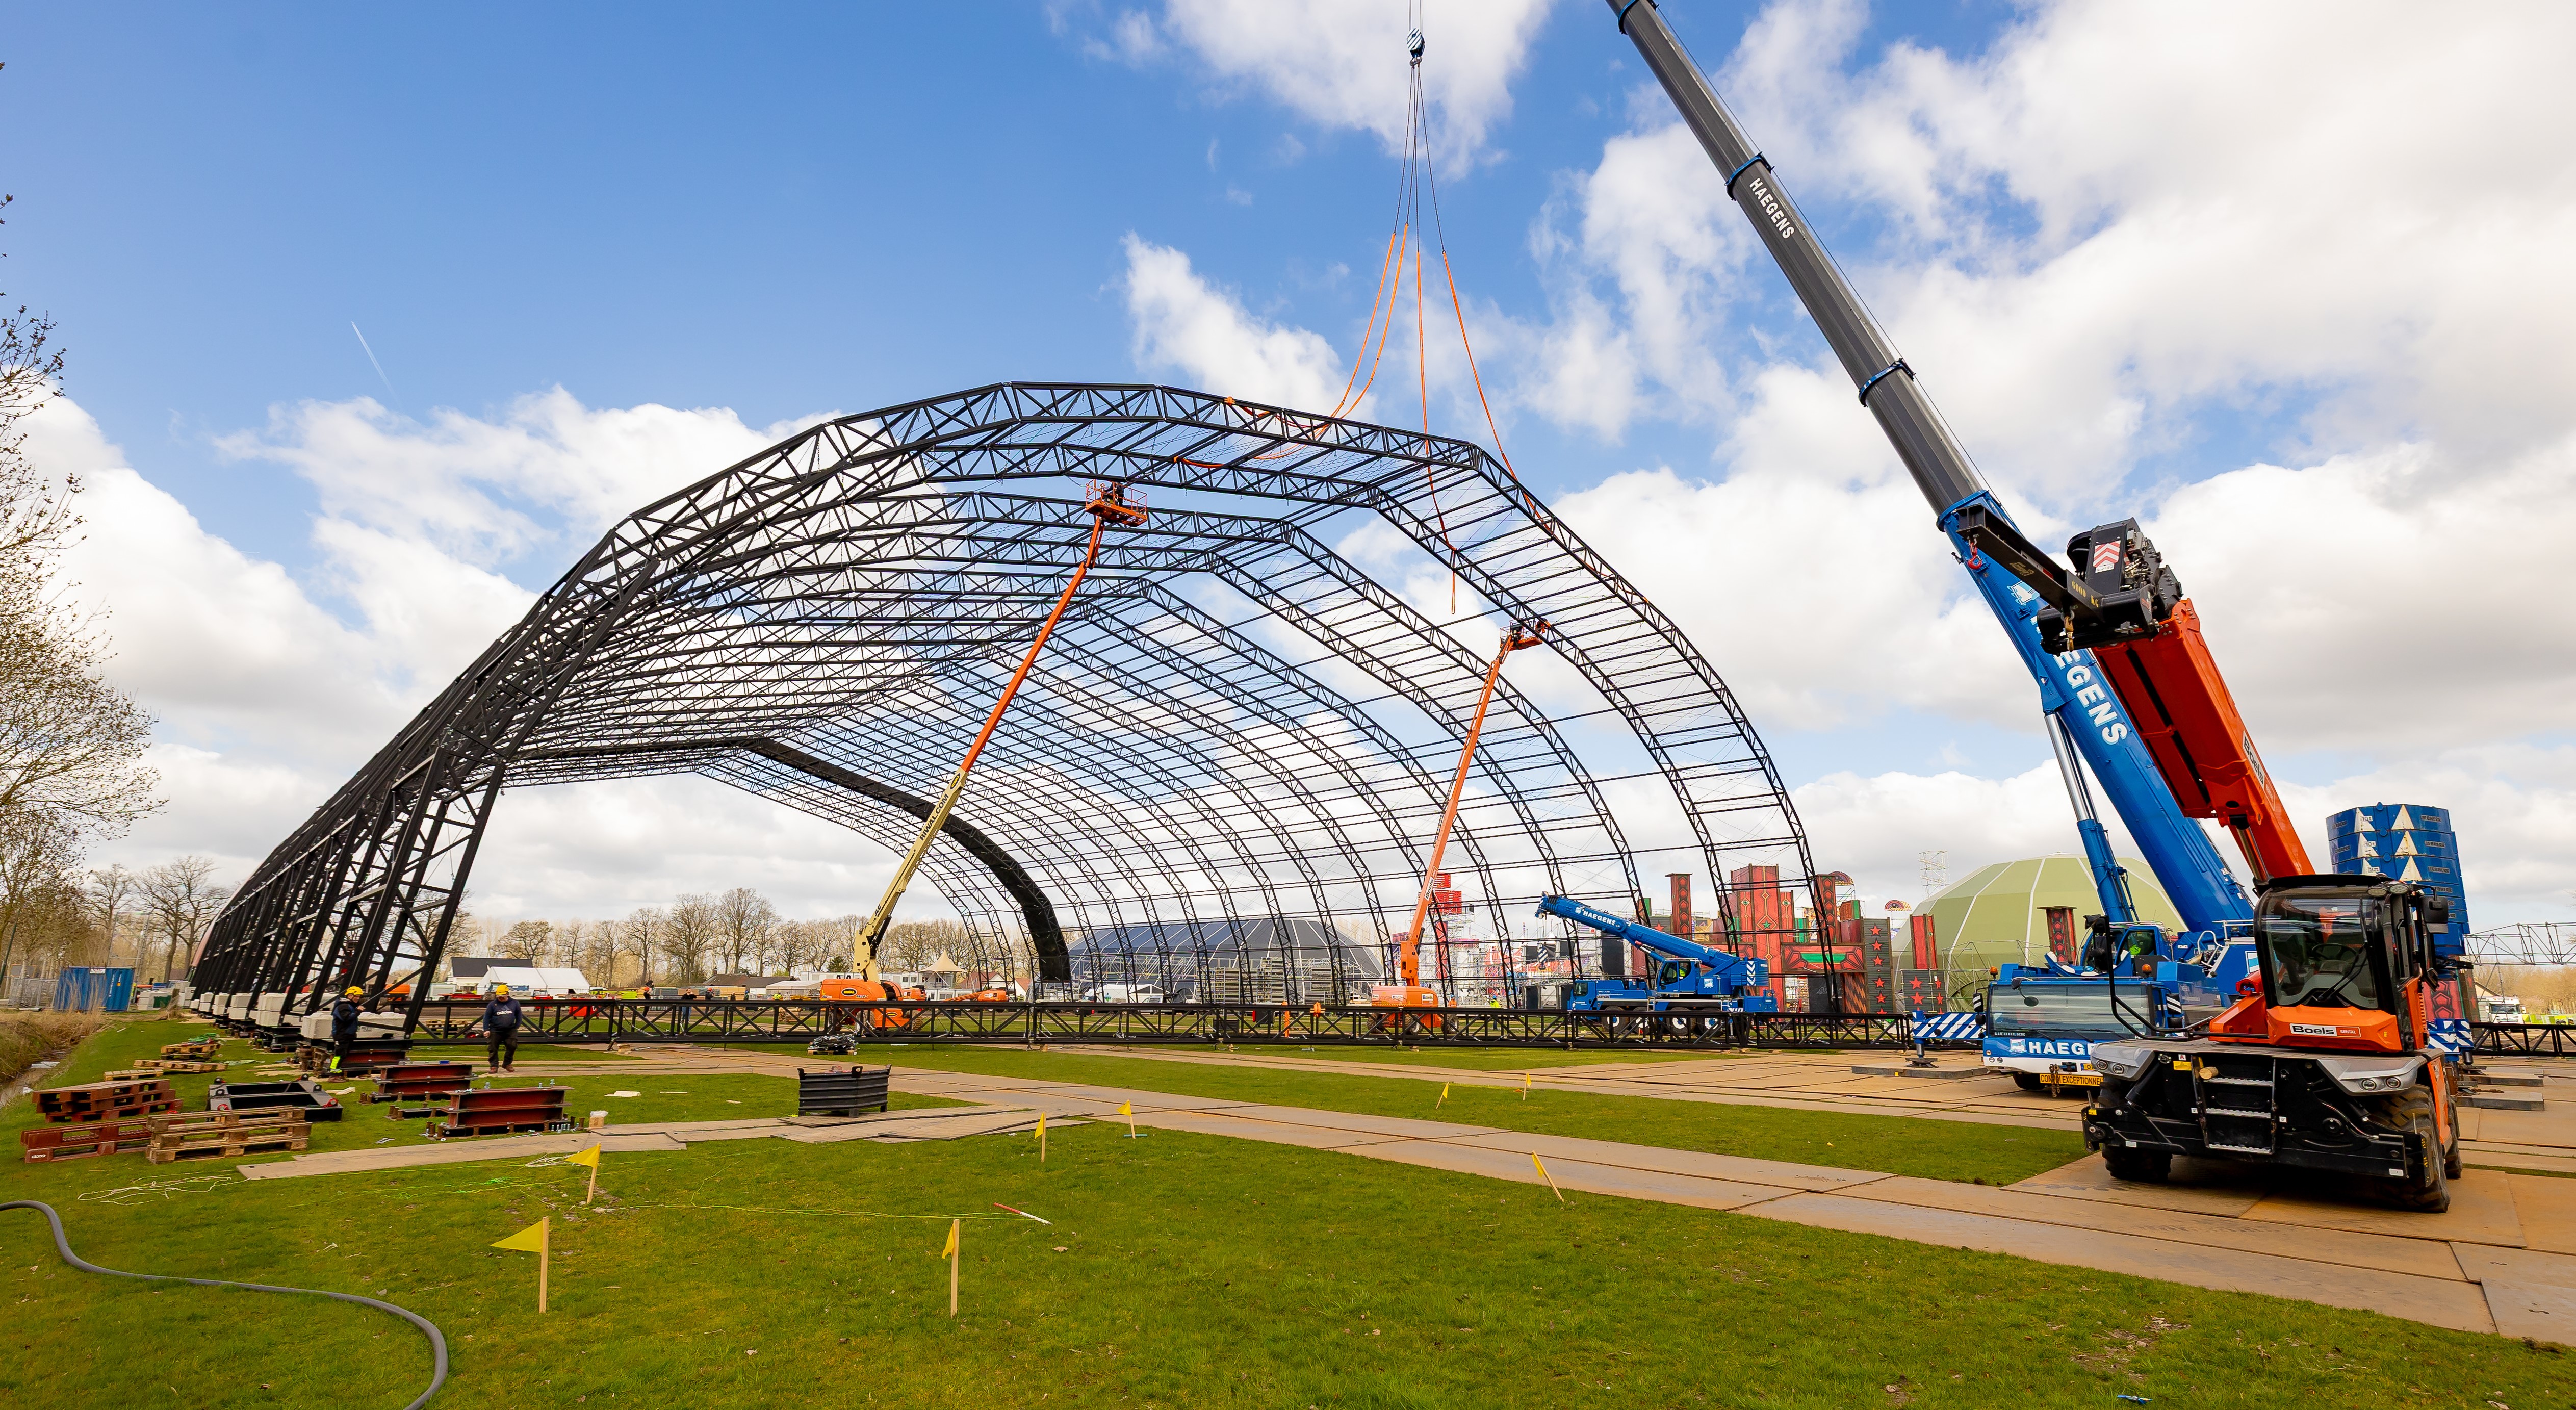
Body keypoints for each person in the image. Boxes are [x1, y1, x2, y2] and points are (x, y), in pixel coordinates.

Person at [472, 984, 526, 1073]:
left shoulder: (515, 1003)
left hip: (510, 1030)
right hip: (495, 1030)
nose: (500, 998)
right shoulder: (492, 1004)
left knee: (512, 1046)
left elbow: (519, 1016)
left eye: (502, 997)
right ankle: (494, 1066)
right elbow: (487, 1017)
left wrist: (516, 1027)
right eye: (499, 997)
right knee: (493, 1048)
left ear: (507, 994)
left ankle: (507, 1063)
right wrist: (486, 1030)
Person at [328, 986, 366, 1072]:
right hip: (342, 1035)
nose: (358, 998)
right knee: (339, 1054)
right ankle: (334, 1072)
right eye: (356, 996)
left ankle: (336, 1070)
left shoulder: (349, 1006)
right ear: (349, 996)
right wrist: (358, 1012)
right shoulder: (343, 1006)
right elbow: (346, 1018)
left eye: (359, 997)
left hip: (347, 1035)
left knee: (342, 1054)